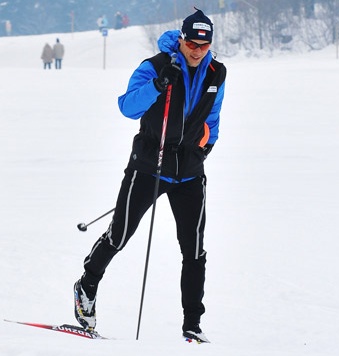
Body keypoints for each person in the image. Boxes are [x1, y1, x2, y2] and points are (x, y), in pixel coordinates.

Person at [73, 8, 226, 344]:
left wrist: (206, 146)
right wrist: (158, 86)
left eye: (204, 44)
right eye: (192, 42)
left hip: (188, 171)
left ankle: (192, 325)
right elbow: (128, 107)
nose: (197, 50)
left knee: (194, 249)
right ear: (182, 40)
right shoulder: (155, 66)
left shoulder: (217, 72)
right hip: (149, 165)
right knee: (120, 234)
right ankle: (87, 283)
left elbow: (212, 117)